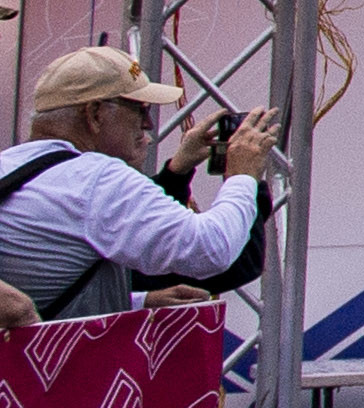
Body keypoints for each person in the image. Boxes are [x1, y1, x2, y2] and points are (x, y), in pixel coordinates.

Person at [0, 48, 275, 329]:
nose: (148, 123)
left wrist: (139, 301)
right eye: (139, 109)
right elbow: (211, 249)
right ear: (95, 113)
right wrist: (242, 174)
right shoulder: (97, 178)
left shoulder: (8, 165)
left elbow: (40, 284)